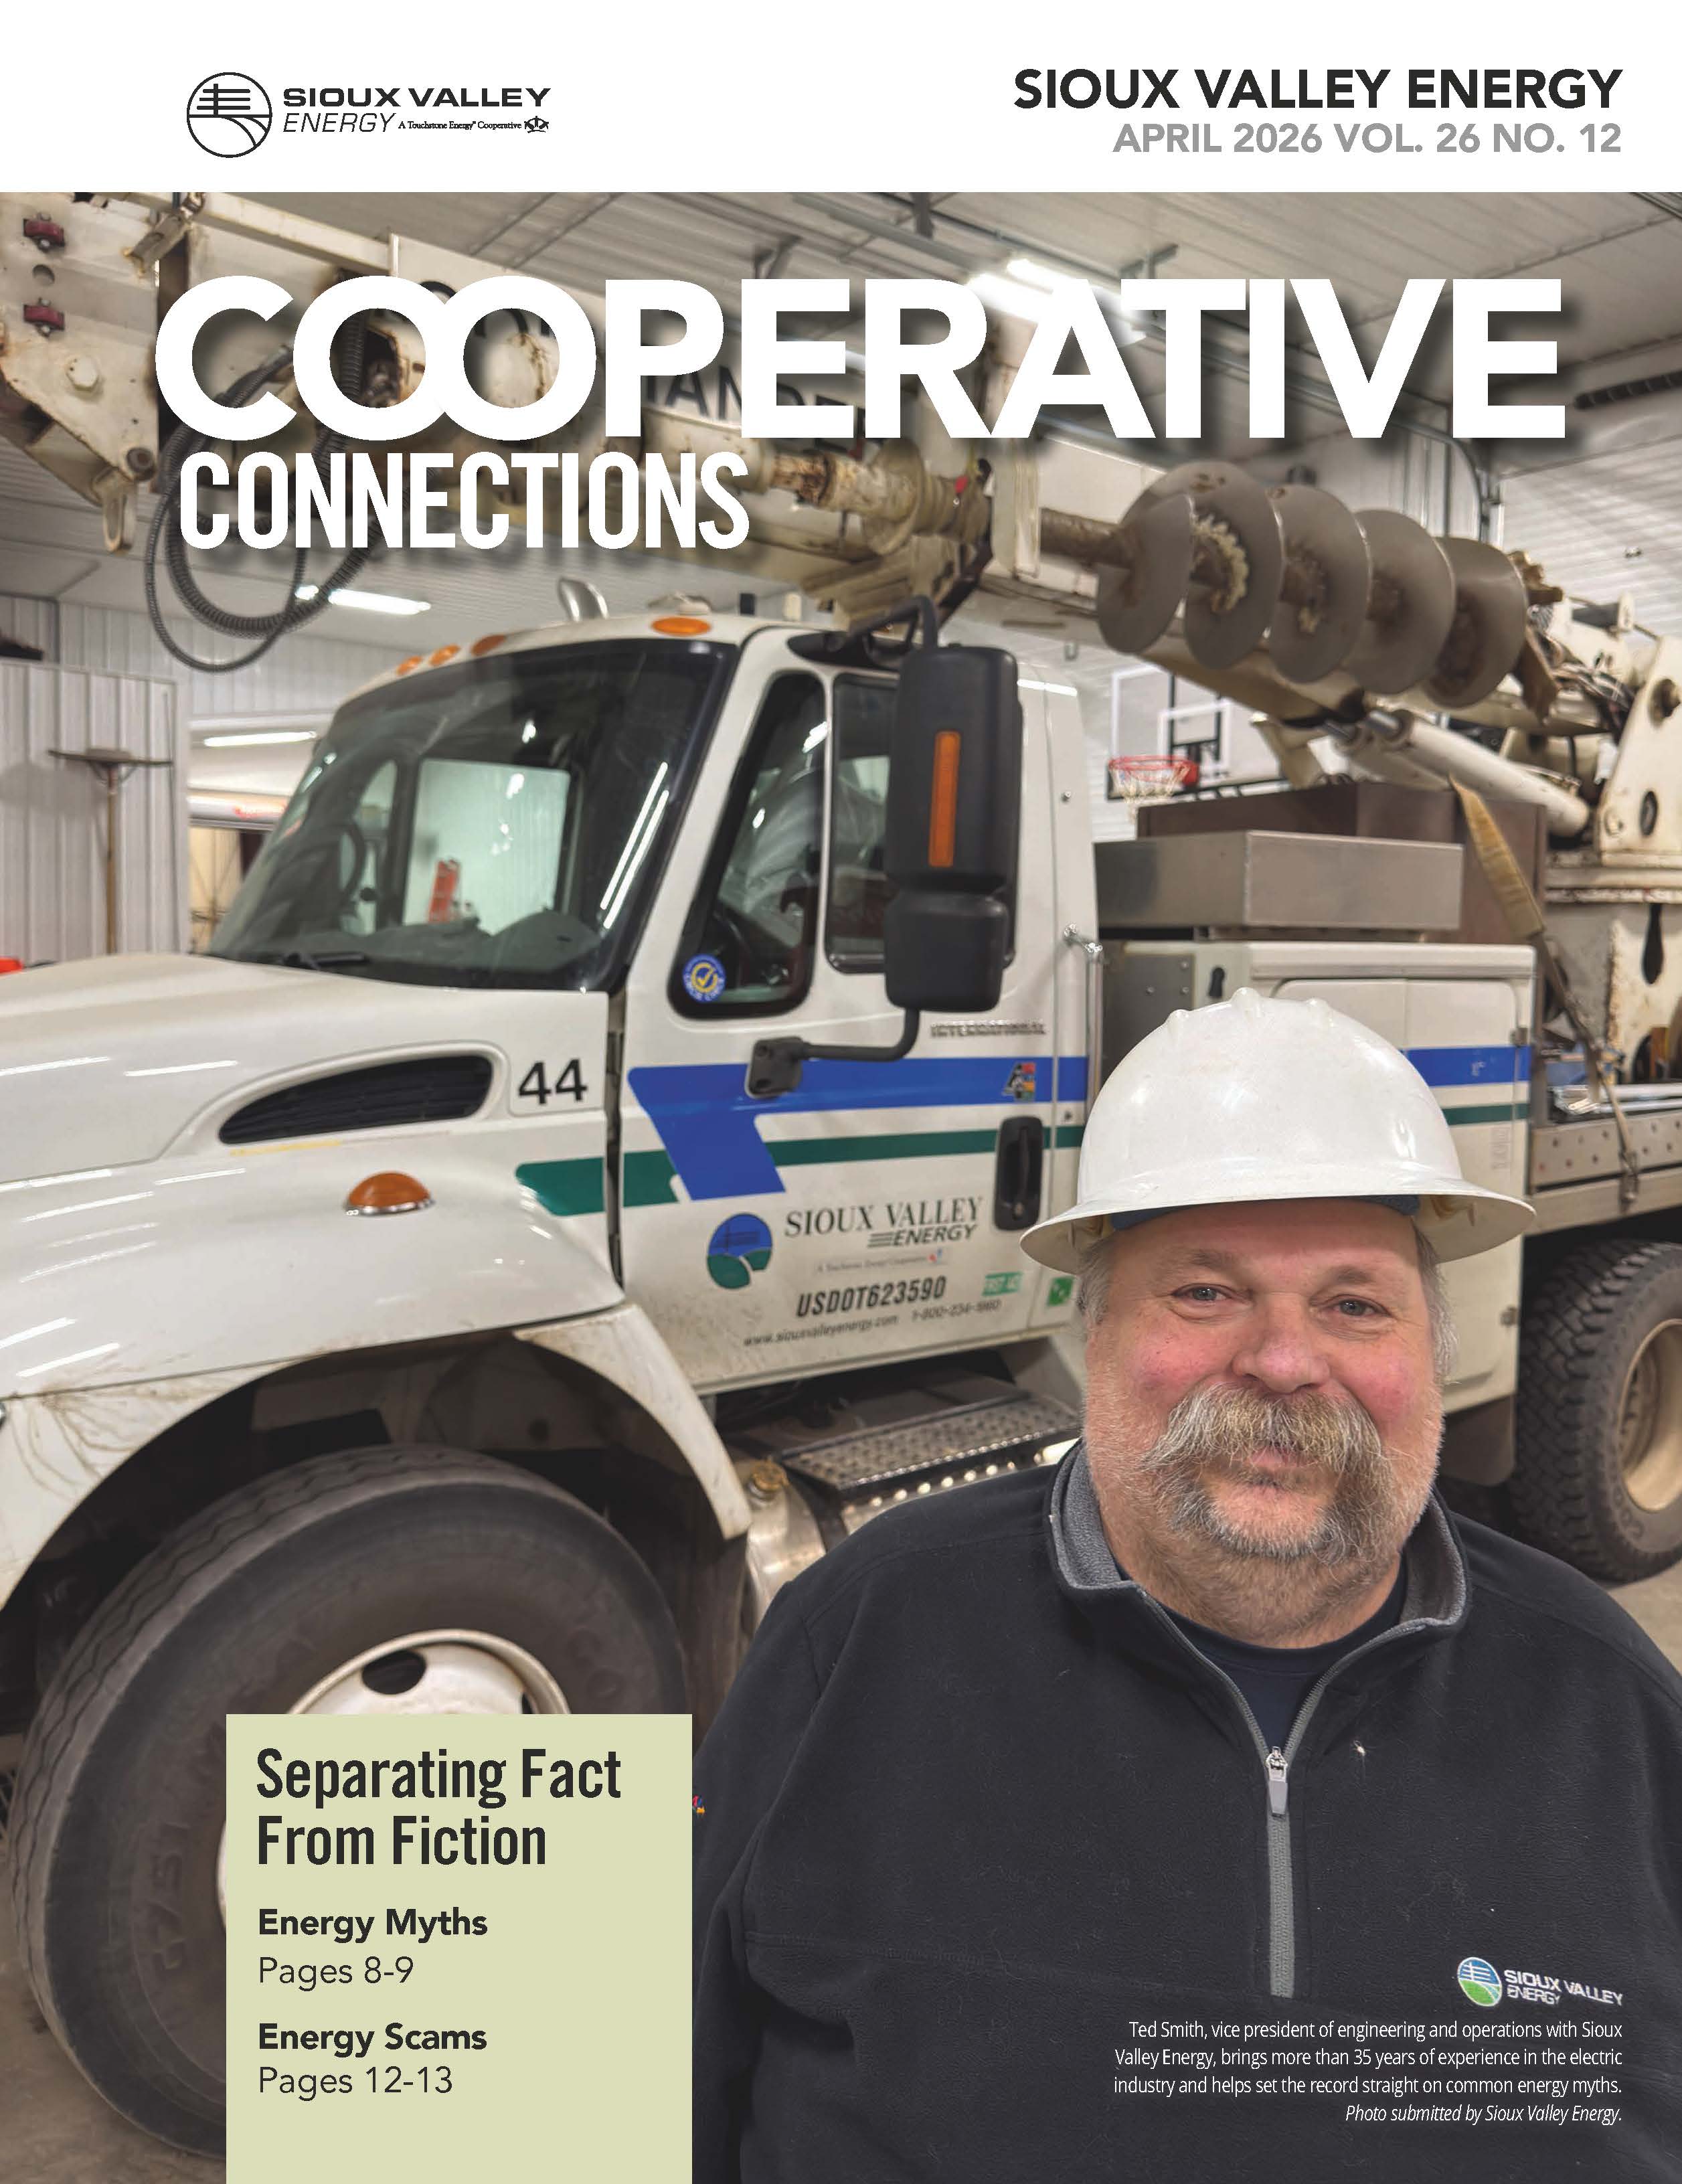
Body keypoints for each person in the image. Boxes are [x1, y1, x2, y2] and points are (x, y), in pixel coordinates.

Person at [693, 991, 1682, 2181]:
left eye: (1353, 1304)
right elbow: (612, 2085)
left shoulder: (1603, 1699)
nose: (1279, 1360)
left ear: (1431, 1351)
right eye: (1204, 1292)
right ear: (1094, 1333)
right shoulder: (857, 1638)